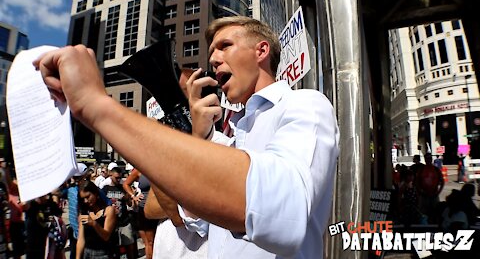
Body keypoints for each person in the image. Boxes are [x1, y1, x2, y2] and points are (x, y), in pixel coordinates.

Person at [34, 16, 339, 258]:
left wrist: (98, 107)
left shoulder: (305, 105)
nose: (215, 59)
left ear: (261, 51)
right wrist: (197, 135)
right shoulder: (233, 135)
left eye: (225, 46)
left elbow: (282, 209)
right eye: (212, 53)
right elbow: (194, 219)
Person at [122, 168, 157, 259]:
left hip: (162, 210)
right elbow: (126, 184)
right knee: (149, 242)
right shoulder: (139, 169)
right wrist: (133, 196)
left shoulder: (161, 167)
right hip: (144, 209)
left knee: (159, 241)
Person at [102, 167, 136, 259]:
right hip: (111, 224)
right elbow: (101, 205)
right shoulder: (105, 189)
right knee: (113, 249)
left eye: (119, 178)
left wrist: (128, 197)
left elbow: (130, 204)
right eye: (116, 177)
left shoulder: (123, 188)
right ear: (110, 175)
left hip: (124, 222)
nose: (118, 179)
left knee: (129, 246)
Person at [77, 181, 116, 259]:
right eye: (83, 198)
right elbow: (81, 239)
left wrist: (94, 224)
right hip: (87, 252)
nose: (85, 201)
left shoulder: (108, 210)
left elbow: (106, 236)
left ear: (95, 193)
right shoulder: (84, 212)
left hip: (104, 253)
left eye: (88, 197)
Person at [415, 152, 444, 223]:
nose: (428, 160)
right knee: (423, 214)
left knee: (435, 212)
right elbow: (416, 182)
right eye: (426, 158)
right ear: (425, 159)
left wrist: (438, 192)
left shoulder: (436, 169)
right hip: (423, 196)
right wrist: (420, 191)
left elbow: (442, 181)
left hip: (434, 195)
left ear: (431, 159)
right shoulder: (421, 170)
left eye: (429, 158)